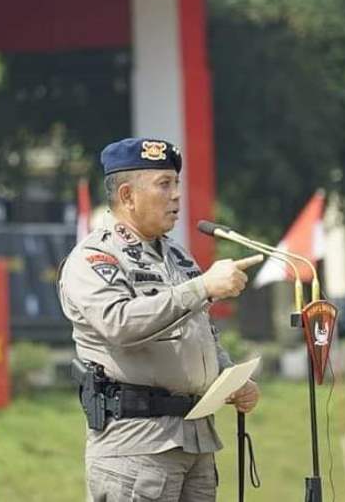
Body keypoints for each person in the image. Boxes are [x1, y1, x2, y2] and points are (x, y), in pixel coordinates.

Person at [59, 137, 262, 501]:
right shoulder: (94, 258)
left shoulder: (176, 256)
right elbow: (118, 323)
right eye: (164, 184)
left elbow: (200, 331)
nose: (177, 196)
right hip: (138, 446)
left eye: (177, 184)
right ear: (127, 196)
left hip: (195, 441)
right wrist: (201, 287)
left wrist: (229, 378)